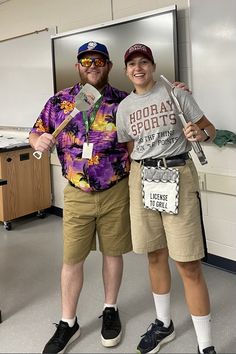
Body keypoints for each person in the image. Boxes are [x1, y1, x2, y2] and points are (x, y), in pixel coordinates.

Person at [29, 41, 132, 353]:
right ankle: (68, 322)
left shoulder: (123, 102)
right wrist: (41, 139)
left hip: (115, 190)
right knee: (72, 259)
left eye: (99, 60)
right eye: (86, 60)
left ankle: (110, 309)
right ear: (78, 66)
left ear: (109, 66)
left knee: (113, 253)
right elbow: (35, 133)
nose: (92, 65)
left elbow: (138, 140)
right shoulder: (60, 102)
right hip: (76, 193)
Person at [116, 43, 217, 354]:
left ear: (153, 64)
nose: (138, 68)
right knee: (155, 255)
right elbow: (132, 148)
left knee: (187, 262)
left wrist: (200, 136)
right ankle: (164, 324)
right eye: (132, 63)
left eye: (143, 61)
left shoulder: (176, 93)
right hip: (142, 180)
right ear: (126, 71)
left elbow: (209, 129)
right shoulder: (125, 108)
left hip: (177, 175)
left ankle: (205, 345)